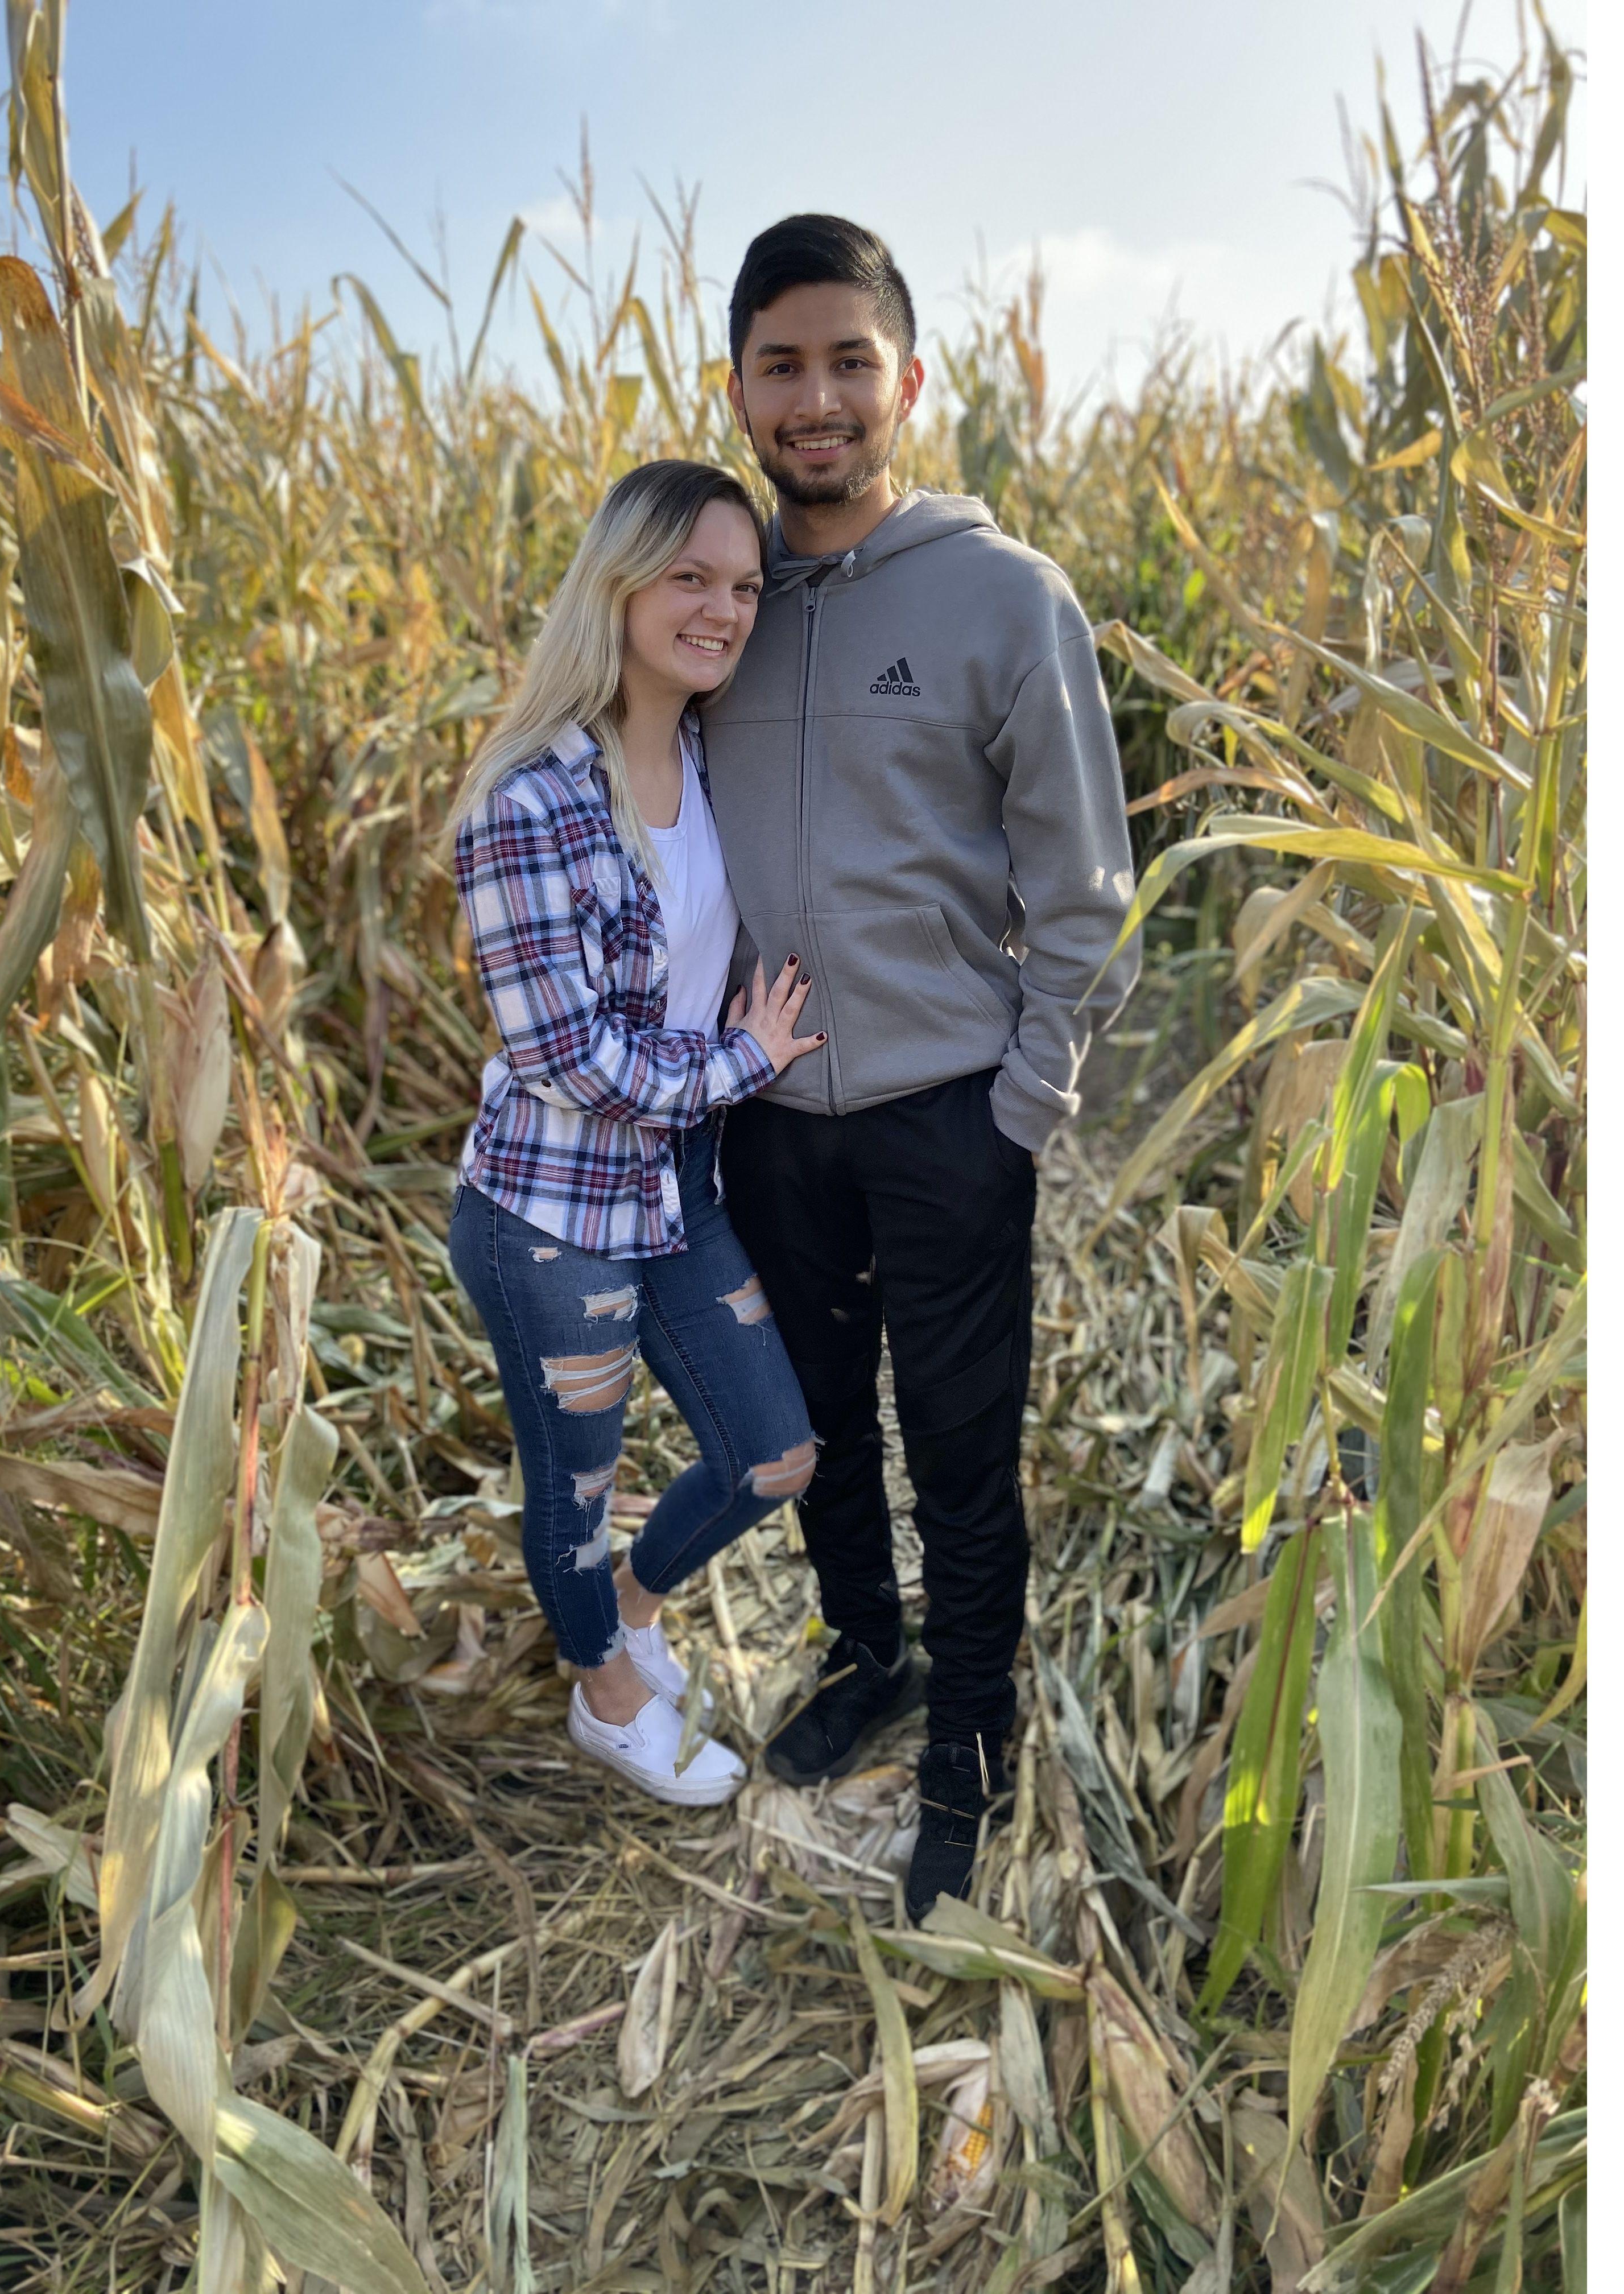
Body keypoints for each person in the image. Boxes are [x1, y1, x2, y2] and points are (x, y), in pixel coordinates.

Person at [703, 215, 1142, 1916]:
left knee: (961, 1448)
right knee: (818, 1431)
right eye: (782, 365)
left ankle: (970, 1734)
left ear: (910, 382)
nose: (815, 399)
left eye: (849, 362)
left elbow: (1085, 889)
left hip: (950, 1114)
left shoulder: (1003, 598)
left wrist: (1022, 1106)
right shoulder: (716, 601)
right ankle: (866, 1654)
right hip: (769, 1121)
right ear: (738, 388)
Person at [447, 459, 826, 1806]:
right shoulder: (527, 801)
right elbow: (567, 1058)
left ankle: (630, 1609)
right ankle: (606, 1698)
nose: (722, 610)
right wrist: (745, 1059)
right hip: (554, 1216)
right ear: (617, 584)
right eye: (689, 579)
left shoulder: (715, 756)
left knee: (773, 1456)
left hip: (678, 1188)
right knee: (576, 1488)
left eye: (744, 587)